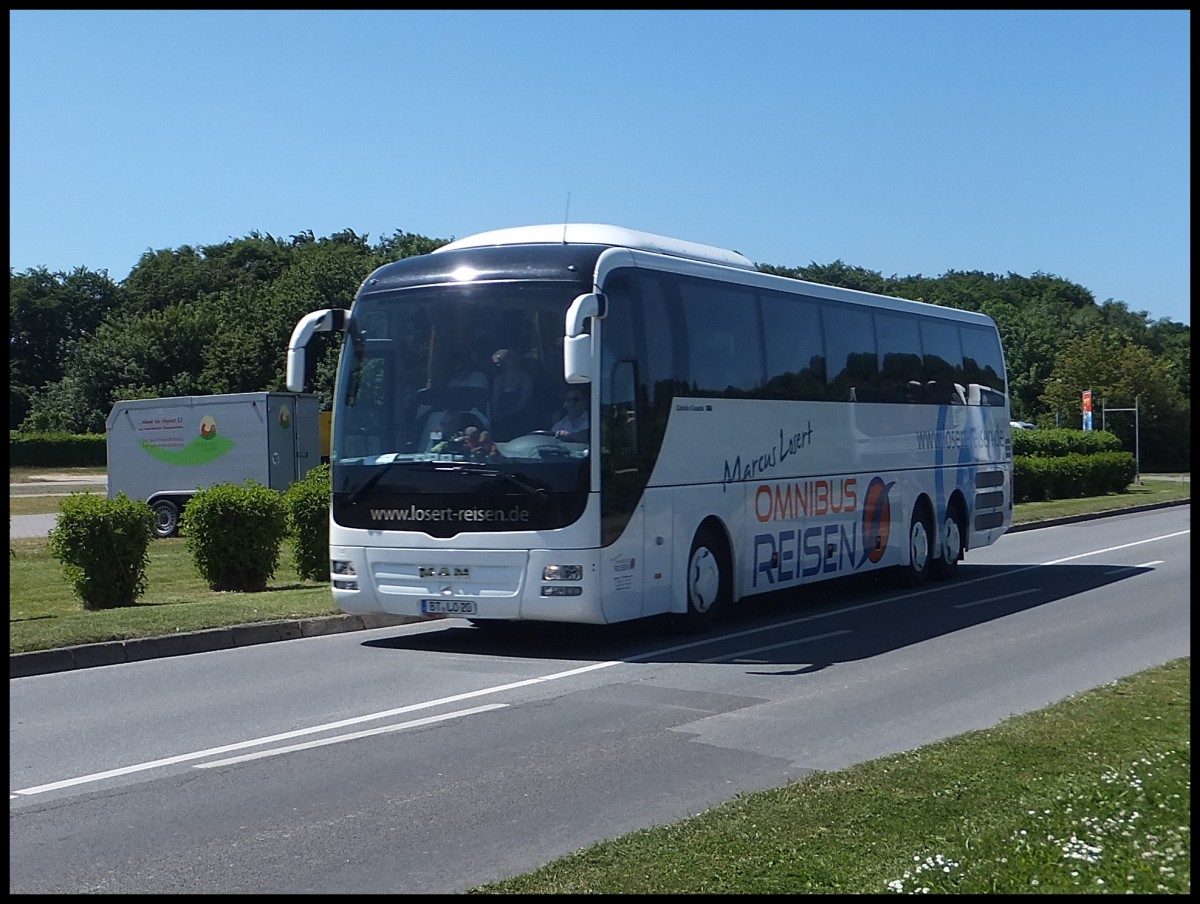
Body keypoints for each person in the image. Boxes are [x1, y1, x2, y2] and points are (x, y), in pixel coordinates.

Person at [490, 348, 536, 439]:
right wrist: (497, 414)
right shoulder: (499, 379)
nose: (509, 362)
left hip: (520, 421)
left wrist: (505, 415)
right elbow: (495, 401)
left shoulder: (526, 380)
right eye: (507, 359)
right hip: (501, 422)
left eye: (511, 358)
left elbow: (523, 405)